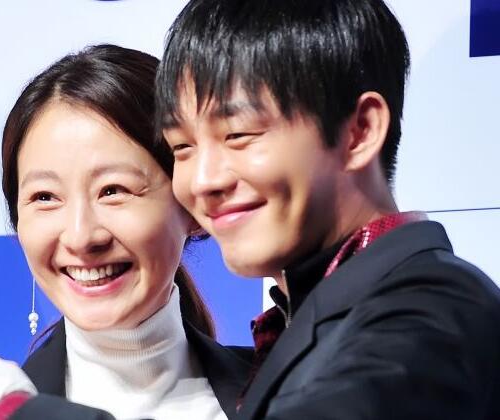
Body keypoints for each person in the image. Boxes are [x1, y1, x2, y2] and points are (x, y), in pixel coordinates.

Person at [0, 44, 251, 420]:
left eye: (113, 190)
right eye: (45, 197)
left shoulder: (276, 393)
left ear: (190, 202)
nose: (81, 237)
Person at [153, 0, 500, 419]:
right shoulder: (307, 317)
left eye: (239, 134)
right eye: (182, 147)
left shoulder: (431, 313)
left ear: (360, 131)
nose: (203, 180)